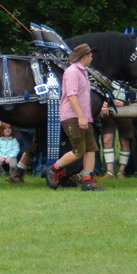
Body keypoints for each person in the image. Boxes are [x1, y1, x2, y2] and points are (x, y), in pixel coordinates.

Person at [45, 42, 102, 190]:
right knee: (79, 150)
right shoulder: (72, 72)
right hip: (73, 116)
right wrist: (81, 117)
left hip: (84, 117)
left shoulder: (83, 71)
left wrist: (86, 116)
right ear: (84, 57)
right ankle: (53, 168)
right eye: (90, 56)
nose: (92, 59)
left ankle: (87, 180)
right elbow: (72, 96)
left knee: (91, 148)